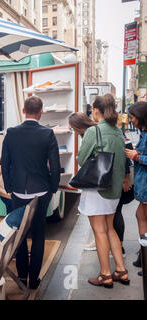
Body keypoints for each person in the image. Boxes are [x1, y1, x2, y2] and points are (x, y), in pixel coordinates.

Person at [1, 96, 61, 290]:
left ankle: (22, 277)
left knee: (19, 233)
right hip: (41, 190)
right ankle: (34, 279)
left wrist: (9, 187)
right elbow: (55, 165)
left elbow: (5, 163)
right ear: (41, 110)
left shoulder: (11, 133)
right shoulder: (48, 134)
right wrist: (53, 187)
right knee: (38, 234)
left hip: (18, 191)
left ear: (23, 110)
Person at [76, 94, 129, 288]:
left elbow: (82, 160)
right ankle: (121, 270)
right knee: (109, 228)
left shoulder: (93, 131)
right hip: (114, 189)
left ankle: (105, 274)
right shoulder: (117, 131)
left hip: (97, 188)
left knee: (99, 231)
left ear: (95, 110)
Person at [69, 113, 134, 255]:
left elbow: (82, 159)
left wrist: (125, 178)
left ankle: (110, 260)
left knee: (105, 225)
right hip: (112, 180)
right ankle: (118, 258)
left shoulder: (94, 132)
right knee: (108, 224)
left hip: (105, 183)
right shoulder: (113, 130)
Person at [125, 102, 147, 276]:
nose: (130, 120)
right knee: (140, 215)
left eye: (132, 117)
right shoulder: (144, 133)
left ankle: (145, 257)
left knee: (143, 216)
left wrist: (136, 156)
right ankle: (143, 254)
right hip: (143, 185)